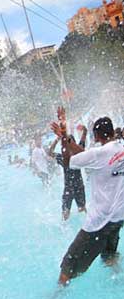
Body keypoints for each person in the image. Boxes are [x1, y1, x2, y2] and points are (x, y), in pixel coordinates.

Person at [54, 113, 124, 285]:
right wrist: (66, 137)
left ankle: (57, 297)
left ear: (97, 136)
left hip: (99, 222)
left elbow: (69, 161)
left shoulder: (98, 154)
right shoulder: (120, 149)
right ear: (112, 132)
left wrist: (63, 137)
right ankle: (118, 282)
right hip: (118, 217)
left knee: (68, 265)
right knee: (109, 255)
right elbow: (90, 155)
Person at [46, 119, 87, 221]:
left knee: (81, 209)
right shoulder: (64, 157)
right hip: (71, 187)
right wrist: (57, 139)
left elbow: (83, 138)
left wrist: (60, 137)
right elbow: (50, 152)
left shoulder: (75, 154)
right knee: (65, 213)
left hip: (76, 187)